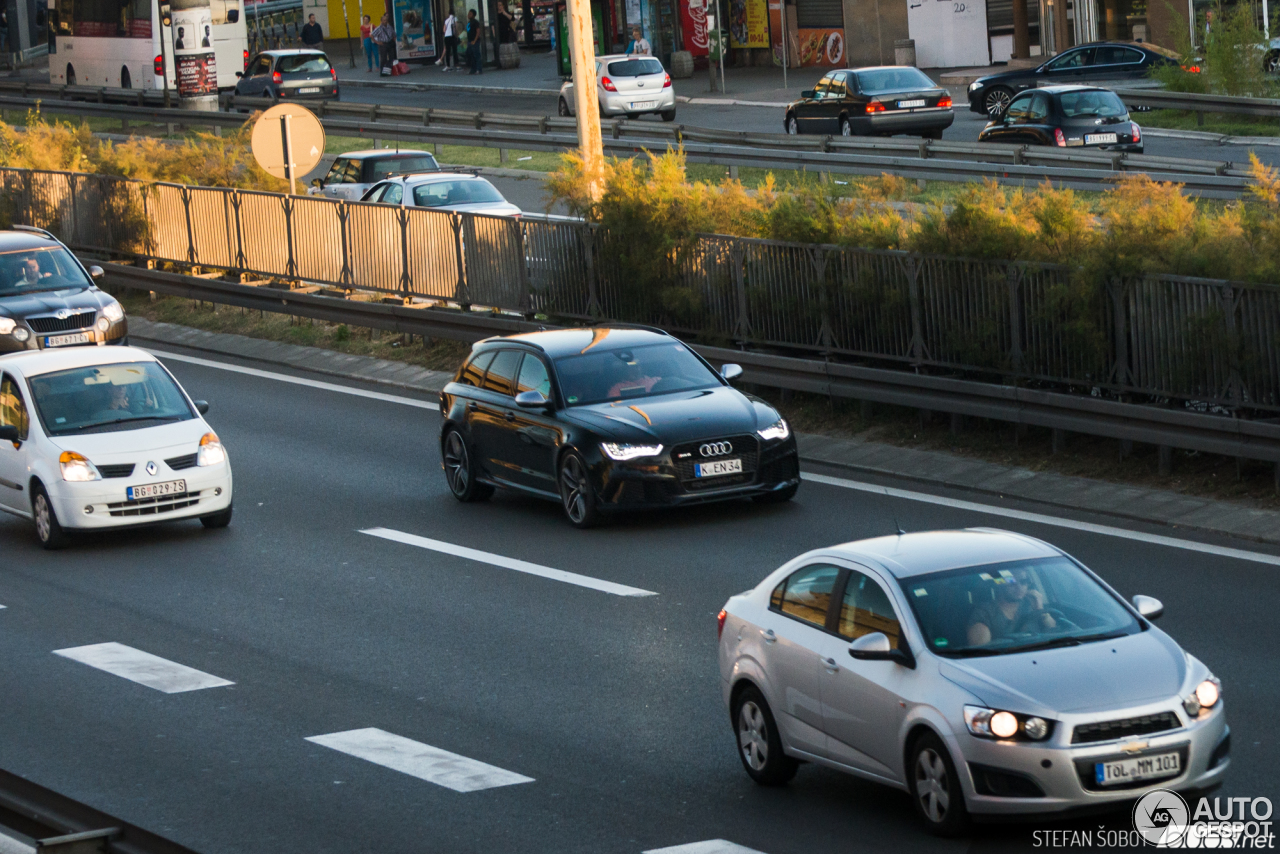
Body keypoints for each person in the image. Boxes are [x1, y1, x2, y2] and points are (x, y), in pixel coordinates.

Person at [966, 567, 1056, 646]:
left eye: (1023, 581)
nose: (1019, 587)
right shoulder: (984, 613)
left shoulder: (1033, 604)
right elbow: (982, 653)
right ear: (999, 584)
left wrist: (1040, 609)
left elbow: (1055, 632)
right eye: (1011, 582)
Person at [464, 9, 482, 74]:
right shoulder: (469, 22)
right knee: (471, 55)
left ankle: (479, 69)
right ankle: (473, 69)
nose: (468, 15)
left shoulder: (475, 22)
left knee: (476, 55)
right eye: (468, 13)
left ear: (473, 15)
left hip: (474, 41)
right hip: (469, 41)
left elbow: (478, 31)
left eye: (470, 14)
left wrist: (475, 40)